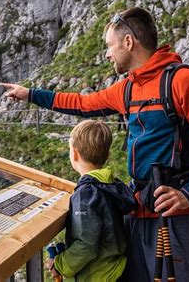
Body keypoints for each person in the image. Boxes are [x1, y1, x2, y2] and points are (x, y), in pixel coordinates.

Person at [1, 7, 189, 281]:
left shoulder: (182, 82)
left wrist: (188, 194)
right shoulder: (128, 89)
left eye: (110, 46)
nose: (107, 54)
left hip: (178, 219)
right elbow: (82, 104)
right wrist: (30, 94)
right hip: (138, 216)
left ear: (128, 42)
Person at [46, 120, 136, 282]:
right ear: (107, 155)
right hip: (116, 268)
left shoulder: (87, 193)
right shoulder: (111, 184)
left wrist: (59, 264)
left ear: (74, 154)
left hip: (98, 275)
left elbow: (87, 245)